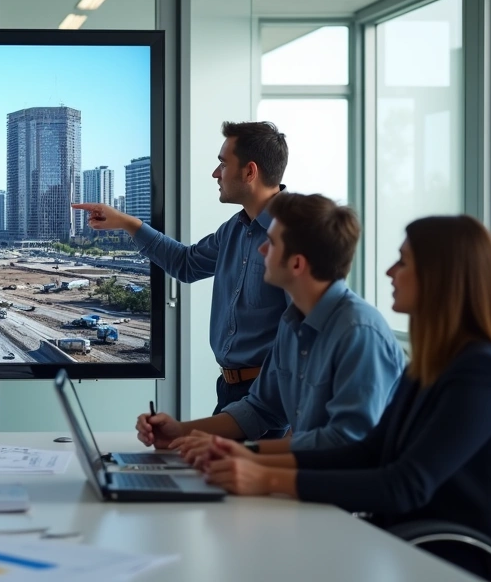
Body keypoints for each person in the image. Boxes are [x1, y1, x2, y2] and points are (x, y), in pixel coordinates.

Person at [193, 215, 491, 579]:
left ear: (442, 278)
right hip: (403, 543)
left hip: (450, 559)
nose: (389, 271)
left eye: (403, 261)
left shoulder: (483, 373)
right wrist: (250, 455)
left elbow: (404, 486)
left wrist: (265, 479)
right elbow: (369, 451)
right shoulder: (436, 364)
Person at [140, 193, 406, 455]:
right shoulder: (292, 326)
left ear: (297, 263)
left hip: (344, 495)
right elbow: (259, 410)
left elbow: (346, 445)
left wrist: (247, 457)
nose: (261, 249)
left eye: (272, 243)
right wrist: (179, 431)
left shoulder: (359, 333)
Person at [73, 121, 290, 422]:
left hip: (271, 403)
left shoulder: (295, 234)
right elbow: (186, 264)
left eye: (223, 164)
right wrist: (127, 222)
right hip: (230, 391)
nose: (216, 174)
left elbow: (307, 340)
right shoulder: (234, 231)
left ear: (250, 172)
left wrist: (299, 430)